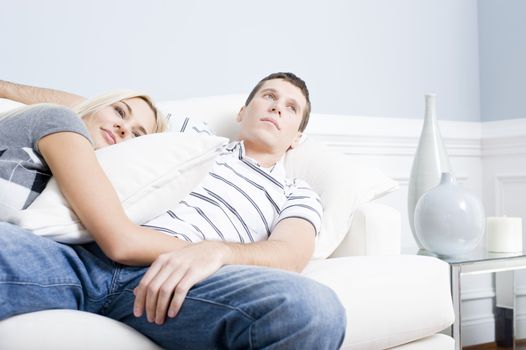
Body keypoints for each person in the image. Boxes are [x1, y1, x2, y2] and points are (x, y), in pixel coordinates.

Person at [0, 73, 346, 349]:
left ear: (297, 138)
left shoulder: (297, 192)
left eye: (291, 108)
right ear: (242, 113)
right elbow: (93, 108)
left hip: (185, 282)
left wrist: (218, 251)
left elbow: (290, 253)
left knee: (313, 310)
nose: (277, 108)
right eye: (268, 96)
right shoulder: (196, 139)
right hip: (82, 254)